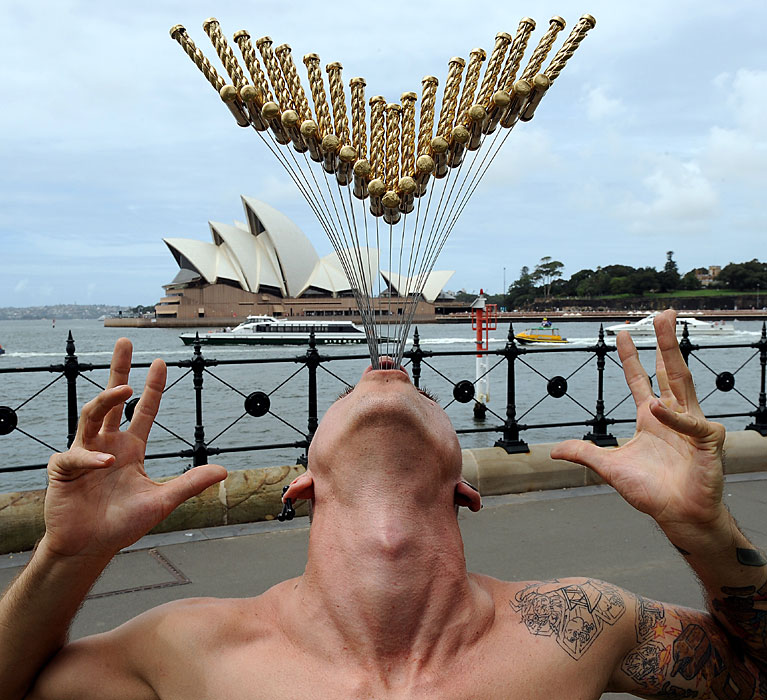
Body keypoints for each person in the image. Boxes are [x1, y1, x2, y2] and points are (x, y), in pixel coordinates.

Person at [1, 309, 766, 699]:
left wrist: (703, 527)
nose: (387, 371)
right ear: (303, 489)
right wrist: (68, 555)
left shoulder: (577, 624)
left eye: (419, 393)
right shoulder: (186, 645)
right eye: (349, 394)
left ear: (464, 491)